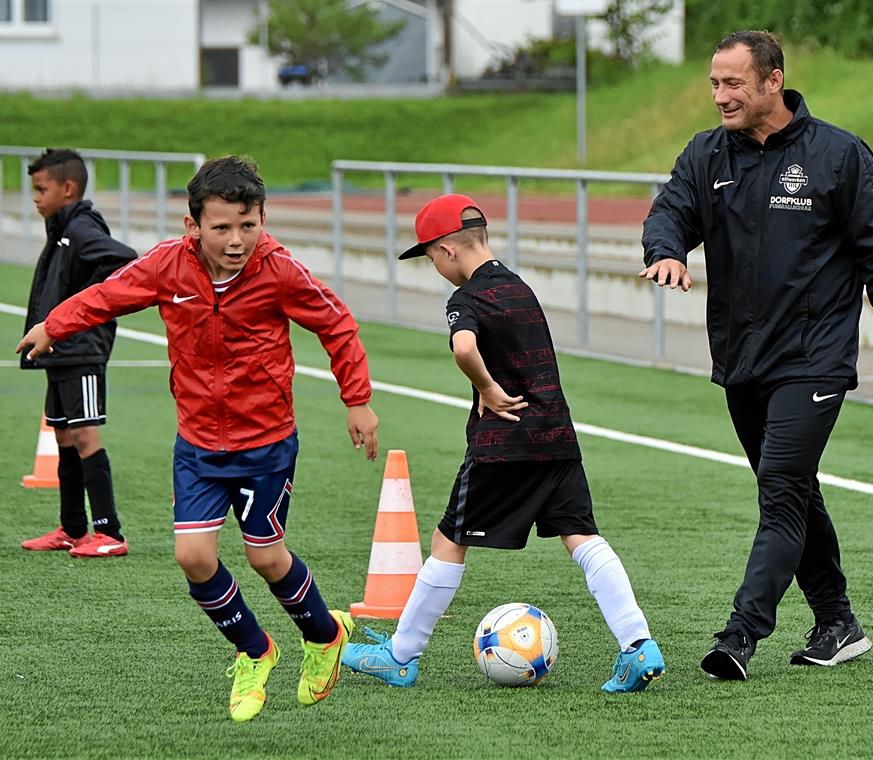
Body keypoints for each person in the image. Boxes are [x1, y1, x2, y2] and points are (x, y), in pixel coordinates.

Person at [17, 155, 380, 721]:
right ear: (193, 226)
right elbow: (105, 295)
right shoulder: (168, 266)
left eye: (248, 224)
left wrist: (357, 399)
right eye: (222, 228)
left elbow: (336, 322)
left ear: (262, 218)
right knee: (193, 557)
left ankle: (323, 636)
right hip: (199, 446)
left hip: (266, 443)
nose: (237, 241)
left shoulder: (278, 270)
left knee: (265, 557)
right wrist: (52, 324)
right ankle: (256, 651)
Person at [639, 30, 873, 680]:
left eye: (733, 83)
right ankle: (837, 621)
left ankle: (740, 634)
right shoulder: (707, 155)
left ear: (773, 81)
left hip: (814, 359)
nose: (720, 96)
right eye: (714, 83)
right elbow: (670, 213)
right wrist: (665, 252)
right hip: (742, 360)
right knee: (793, 491)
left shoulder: (838, 156)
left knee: (782, 492)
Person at [340, 194, 665, 693]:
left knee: (449, 541)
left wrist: (488, 389)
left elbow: (465, 346)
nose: (435, 267)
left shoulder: (466, 299)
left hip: (504, 445)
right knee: (583, 538)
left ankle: (400, 657)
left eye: (430, 257)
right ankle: (638, 645)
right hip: (558, 438)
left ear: (448, 251)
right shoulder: (521, 288)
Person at [19, 149, 137, 558]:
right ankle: (72, 528)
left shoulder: (82, 228)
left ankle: (110, 532)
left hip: (81, 349)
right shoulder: (62, 230)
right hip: (60, 351)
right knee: (65, 437)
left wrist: (89, 309)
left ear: (67, 189)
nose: (34, 197)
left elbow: (124, 260)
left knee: (85, 436)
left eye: (41, 189)